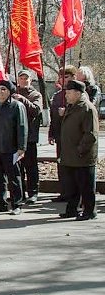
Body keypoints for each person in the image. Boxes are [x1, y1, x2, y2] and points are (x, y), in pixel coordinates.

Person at [0, 80, 28, 215]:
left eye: (3, 89)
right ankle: (0, 203)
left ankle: (17, 204)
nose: (0, 92)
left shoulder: (17, 106)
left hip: (11, 148)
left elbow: (22, 127)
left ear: (9, 91)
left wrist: (21, 147)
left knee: (14, 177)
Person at [58, 80, 99, 220]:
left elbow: (91, 134)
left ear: (77, 93)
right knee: (72, 187)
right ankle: (71, 210)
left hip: (83, 156)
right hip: (70, 155)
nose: (66, 96)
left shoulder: (87, 108)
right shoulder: (72, 107)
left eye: (69, 93)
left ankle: (89, 211)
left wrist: (79, 150)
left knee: (86, 187)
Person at [13, 70, 43, 204]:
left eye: (26, 78)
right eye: (21, 78)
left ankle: (33, 192)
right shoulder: (14, 93)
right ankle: (20, 192)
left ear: (30, 80)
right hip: (15, 137)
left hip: (29, 137)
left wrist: (23, 100)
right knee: (17, 167)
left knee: (31, 167)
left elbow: (36, 110)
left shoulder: (36, 94)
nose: (24, 80)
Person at [48, 65, 77, 202]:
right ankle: (64, 191)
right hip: (60, 135)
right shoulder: (57, 96)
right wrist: (51, 133)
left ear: (73, 77)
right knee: (61, 164)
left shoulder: (78, 93)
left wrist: (67, 112)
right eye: (61, 77)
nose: (63, 79)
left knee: (73, 165)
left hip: (73, 137)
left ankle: (74, 193)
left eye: (66, 76)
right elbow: (53, 116)